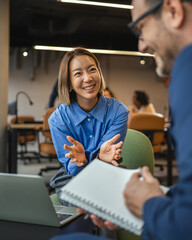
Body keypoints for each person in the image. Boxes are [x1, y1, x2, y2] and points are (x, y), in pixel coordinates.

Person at [79, 1, 192, 240]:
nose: (141, 46)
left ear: (174, 11)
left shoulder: (187, 70)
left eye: (141, 28)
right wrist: (143, 204)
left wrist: (148, 206)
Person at [48, 47, 129, 204]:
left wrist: (94, 158)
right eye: (78, 73)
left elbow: (106, 162)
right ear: (69, 83)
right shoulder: (58, 119)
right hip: (71, 176)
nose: (88, 78)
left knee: (109, 201)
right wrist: (83, 162)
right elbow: (72, 168)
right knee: (82, 203)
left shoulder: (118, 112)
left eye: (92, 70)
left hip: (107, 172)